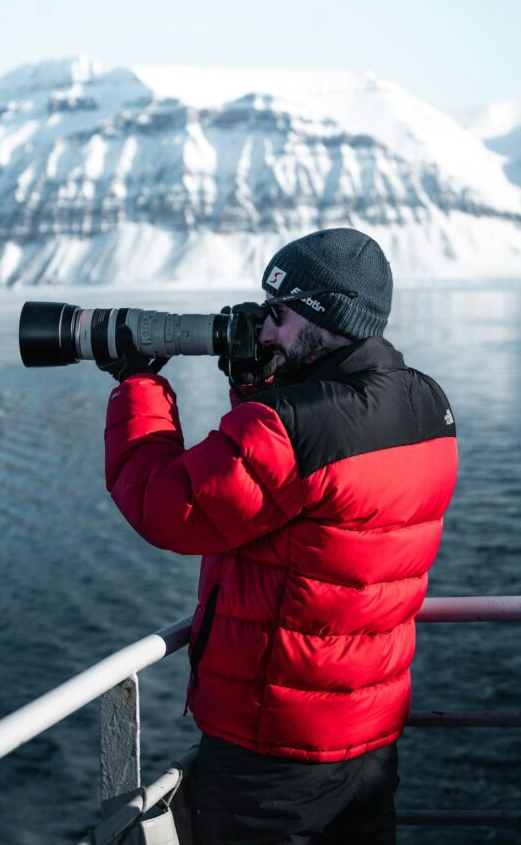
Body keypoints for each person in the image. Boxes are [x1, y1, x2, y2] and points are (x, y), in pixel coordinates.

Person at [97, 228, 458, 845]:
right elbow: (300, 494)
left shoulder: (293, 428)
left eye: (281, 316)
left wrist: (137, 384)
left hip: (274, 753)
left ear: (327, 319)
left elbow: (165, 507)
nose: (265, 330)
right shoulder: (426, 403)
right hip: (368, 742)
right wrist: (260, 389)